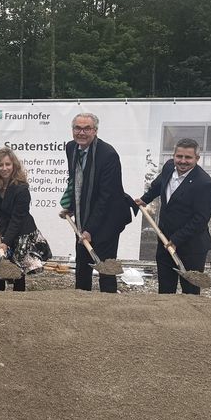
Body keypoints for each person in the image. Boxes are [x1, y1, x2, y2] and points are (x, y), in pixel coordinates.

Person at [59, 112, 134, 293]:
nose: (81, 133)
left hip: (109, 218)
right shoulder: (71, 148)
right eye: (78, 128)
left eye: (87, 129)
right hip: (85, 214)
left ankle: (107, 307)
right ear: (72, 130)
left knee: (105, 267)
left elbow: (106, 196)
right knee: (82, 262)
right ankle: (82, 301)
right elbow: (76, 181)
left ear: (95, 131)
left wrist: (89, 229)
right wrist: (70, 206)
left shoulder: (108, 155)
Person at [135, 138, 211, 295]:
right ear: (174, 156)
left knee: (190, 291)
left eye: (188, 157)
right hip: (165, 241)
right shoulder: (168, 167)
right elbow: (158, 185)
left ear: (197, 159)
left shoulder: (204, 184)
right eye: (179, 156)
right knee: (165, 290)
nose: (183, 161)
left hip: (192, 247)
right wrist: (145, 199)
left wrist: (177, 239)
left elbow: (200, 219)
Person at [0, 148, 48, 291]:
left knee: (17, 269)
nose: (4, 168)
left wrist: (6, 242)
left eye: (8, 164)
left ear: (14, 165)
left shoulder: (21, 189)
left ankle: (18, 301)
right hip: (4, 227)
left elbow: (17, 219)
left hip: (22, 232)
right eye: (0, 165)